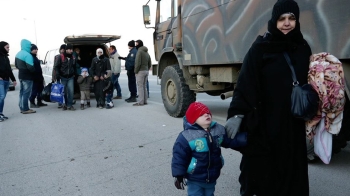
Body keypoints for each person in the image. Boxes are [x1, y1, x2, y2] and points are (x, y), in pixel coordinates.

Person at [225, 0, 311, 195]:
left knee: (292, 170)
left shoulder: (303, 48)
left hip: (292, 125)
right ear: (274, 21)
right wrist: (237, 114)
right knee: (262, 171)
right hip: (265, 124)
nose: (287, 23)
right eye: (282, 19)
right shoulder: (261, 48)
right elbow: (245, 83)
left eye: (292, 18)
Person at [171, 102, 246, 195]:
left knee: (210, 193)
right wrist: (178, 175)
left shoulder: (218, 129)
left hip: (212, 175)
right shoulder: (187, 136)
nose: (206, 114)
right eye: (201, 114)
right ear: (193, 119)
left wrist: (247, 138)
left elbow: (229, 140)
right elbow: (179, 157)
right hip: (195, 177)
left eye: (207, 113)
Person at [15, 39, 36, 114]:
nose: (30, 46)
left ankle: (21, 107)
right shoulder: (28, 55)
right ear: (27, 45)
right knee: (26, 93)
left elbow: (16, 65)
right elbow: (30, 67)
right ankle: (26, 109)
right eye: (30, 45)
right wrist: (34, 72)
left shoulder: (18, 54)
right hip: (27, 77)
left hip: (21, 75)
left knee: (22, 92)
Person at [54, 43, 77, 111]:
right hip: (63, 77)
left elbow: (74, 66)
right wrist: (57, 74)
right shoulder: (60, 57)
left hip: (70, 77)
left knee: (71, 91)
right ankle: (64, 104)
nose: (71, 51)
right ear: (66, 50)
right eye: (70, 49)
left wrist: (75, 74)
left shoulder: (73, 57)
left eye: (71, 49)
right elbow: (56, 66)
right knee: (64, 92)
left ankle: (69, 105)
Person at [0, 41, 17, 121]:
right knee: (1, 97)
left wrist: (13, 79)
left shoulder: (6, 57)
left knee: (2, 98)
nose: (9, 49)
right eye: (7, 47)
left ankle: (1, 113)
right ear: (2, 47)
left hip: (6, 80)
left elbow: (9, 70)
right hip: (1, 80)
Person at [133, 40, 151, 106]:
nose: (136, 45)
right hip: (146, 71)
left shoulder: (139, 52)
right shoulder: (146, 52)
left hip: (140, 71)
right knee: (144, 86)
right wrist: (147, 68)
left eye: (136, 43)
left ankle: (141, 102)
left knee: (140, 86)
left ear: (139, 44)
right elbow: (150, 63)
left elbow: (138, 63)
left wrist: (136, 71)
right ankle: (145, 101)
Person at [53, 44, 66, 109]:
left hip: (65, 75)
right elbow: (54, 67)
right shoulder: (57, 57)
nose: (63, 50)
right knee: (59, 90)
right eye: (62, 49)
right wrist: (54, 76)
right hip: (58, 76)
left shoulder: (67, 57)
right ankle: (60, 103)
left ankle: (65, 102)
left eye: (64, 49)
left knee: (65, 89)